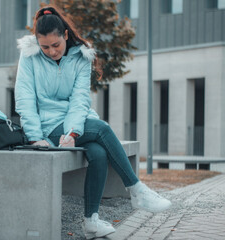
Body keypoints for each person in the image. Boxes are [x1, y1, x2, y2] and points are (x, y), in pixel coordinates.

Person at [15, 5, 172, 239]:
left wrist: (73, 132)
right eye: (44, 46)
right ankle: (136, 189)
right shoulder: (29, 55)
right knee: (102, 129)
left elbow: (80, 100)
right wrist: (36, 137)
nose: (51, 51)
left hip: (76, 122)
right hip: (46, 126)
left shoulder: (81, 56)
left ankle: (91, 222)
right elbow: (24, 97)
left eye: (56, 45)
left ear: (66, 35)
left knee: (98, 153)